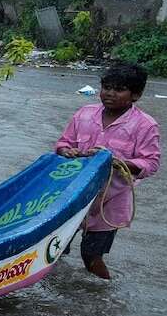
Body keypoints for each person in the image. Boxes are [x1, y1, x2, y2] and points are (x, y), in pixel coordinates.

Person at [53, 62, 161, 280]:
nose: (110, 94)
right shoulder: (84, 114)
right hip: (73, 196)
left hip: (110, 202)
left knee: (91, 256)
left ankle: (105, 294)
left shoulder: (145, 125)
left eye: (119, 89)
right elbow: (63, 143)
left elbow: (150, 163)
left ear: (136, 95)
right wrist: (67, 151)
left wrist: (114, 160)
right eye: (107, 87)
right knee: (54, 249)